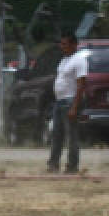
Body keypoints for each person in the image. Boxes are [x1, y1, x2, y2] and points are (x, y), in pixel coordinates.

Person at [47, 30, 88, 174]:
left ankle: (72, 166)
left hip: (70, 101)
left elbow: (81, 84)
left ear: (74, 44)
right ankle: (53, 164)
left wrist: (74, 107)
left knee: (71, 136)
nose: (62, 47)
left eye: (65, 44)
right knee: (57, 134)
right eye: (61, 44)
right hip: (60, 102)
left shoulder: (79, 60)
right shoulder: (64, 60)